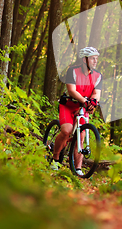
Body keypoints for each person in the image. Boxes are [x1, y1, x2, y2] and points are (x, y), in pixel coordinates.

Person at [50, 46, 102, 174]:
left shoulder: (98, 75)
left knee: (81, 136)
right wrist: (86, 101)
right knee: (66, 131)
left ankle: (77, 168)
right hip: (68, 106)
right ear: (84, 60)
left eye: (96, 59)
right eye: (92, 59)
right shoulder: (72, 71)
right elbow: (71, 91)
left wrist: (93, 102)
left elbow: (96, 93)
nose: (95, 61)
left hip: (82, 109)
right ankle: (55, 159)